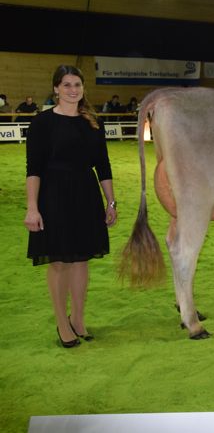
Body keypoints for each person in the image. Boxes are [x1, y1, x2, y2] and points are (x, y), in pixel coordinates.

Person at [23, 65, 117, 348]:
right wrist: (32, 207)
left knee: (81, 260)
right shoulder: (42, 123)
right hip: (53, 195)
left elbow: (103, 165)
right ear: (56, 88)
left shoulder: (93, 123)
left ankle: (77, 318)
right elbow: (33, 168)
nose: (73, 90)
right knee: (60, 261)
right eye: (66, 85)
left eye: (77, 84)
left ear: (83, 88)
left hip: (86, 195)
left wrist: (111, 202)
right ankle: (62, 323)